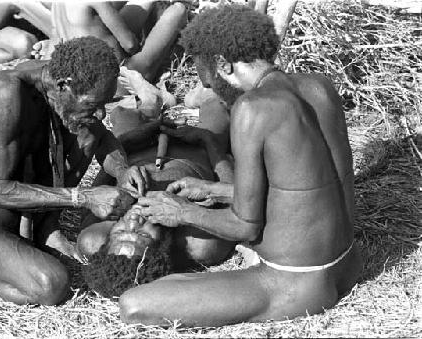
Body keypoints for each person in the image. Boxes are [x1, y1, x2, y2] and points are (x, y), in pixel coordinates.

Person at [117, 4, 363, 327]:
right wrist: (215, 190)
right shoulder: (319, 86)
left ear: (224, 65)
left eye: (206, 79)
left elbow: (245, 226)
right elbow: (301, 189)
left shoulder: (252, 108)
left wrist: (179, 211)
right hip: (348, 264)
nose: (207, 88)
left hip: (295, 283)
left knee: (133, 305)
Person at [0, 36, 147, 306]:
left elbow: (101, 135)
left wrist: (122, 170)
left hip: (24, 213)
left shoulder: (63, 78)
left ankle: (45, 230)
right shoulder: (6, 95)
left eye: (104, 105)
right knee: (52, 286)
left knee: (85, 130)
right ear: (63, 86)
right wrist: (84, 197)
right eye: (93, 105)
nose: (101, 114)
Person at [76, 70, 237, 298]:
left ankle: (151, 103)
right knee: (217, 110)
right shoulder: (200, 244)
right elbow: (235, 200)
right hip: (195, 149)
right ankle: (197, 97)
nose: (133, 222)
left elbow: (98, 190)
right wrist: (208, 142)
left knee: (122, 114)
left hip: (136, 150)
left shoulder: (93, 238)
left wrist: (125, 159)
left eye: (120, 231)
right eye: (143, 235)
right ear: (163, 250)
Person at [32, 1, 188, 82]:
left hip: (81, 77)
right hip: (117, 78)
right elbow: (129, 44)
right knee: (178, 10)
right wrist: (145, 51)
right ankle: (153, 68)